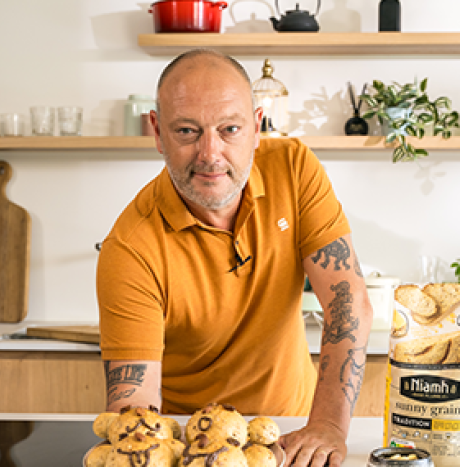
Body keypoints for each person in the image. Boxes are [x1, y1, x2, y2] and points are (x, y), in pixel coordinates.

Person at [96, 49, 372, 467]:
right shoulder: (130, 248)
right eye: (187, 131)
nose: (210, 154)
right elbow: (133, 404)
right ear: (156, 131)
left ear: (257, 127)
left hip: (294, 434)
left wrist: (329, 426)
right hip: (191, 449)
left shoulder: (293, 169)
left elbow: (346, 302)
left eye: (229, 129)